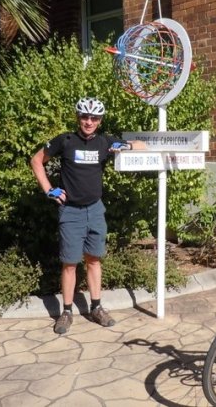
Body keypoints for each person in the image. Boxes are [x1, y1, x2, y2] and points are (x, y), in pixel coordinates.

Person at [30, 97, 145, 334]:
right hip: (70, 211)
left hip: (95, 209)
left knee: (94, 259)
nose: (89, 121)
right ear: (78, 117)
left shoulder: (104, 142)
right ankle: (67, 312)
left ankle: (96, 307)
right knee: (70, 263)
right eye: (85, 116)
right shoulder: (66, 140)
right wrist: (49, 190)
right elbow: (36, 161)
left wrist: (124, 146)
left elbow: (143, 146)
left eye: (94, 118)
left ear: (100, 121)